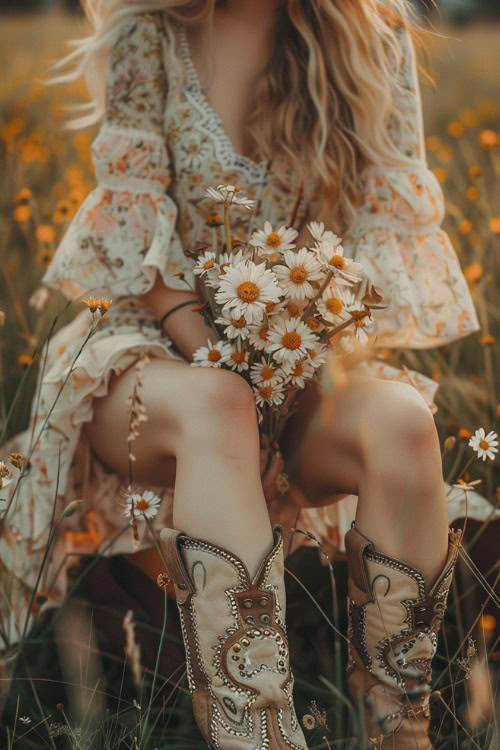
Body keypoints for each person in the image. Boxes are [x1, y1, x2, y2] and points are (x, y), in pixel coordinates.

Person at [0, 0, 487, 747]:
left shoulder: (373, 40)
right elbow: (135, 239)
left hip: (301, 353)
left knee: (402, 423)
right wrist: (227, 365)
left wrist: (293, 363)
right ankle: (256, 732)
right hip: (148, 347)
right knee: (219, 401)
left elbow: (378, 257)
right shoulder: (150, 36)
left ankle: (399, 727)